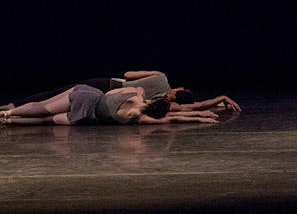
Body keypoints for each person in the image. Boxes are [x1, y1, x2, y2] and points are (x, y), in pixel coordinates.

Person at [0, 70, 241, 113]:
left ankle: (13, 107)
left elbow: (127, 75)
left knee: (56, 93)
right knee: (59, 104)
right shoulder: (163, 105)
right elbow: (195, 107)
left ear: (178, 88)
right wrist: (219, 103)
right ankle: (15, 112)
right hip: (105, 100)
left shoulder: (160, 77)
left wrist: (221, 100)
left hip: (107, 84)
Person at [0, 85, 219, 126]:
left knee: (44, 106)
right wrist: (201, 118)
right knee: (46, 120)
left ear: (154, 101)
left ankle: (8, 112)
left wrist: (203, 115)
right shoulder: (139, 119)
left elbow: (112, 91)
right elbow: (175, 118)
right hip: (87, 115)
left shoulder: (137, 95)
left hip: (88, 94)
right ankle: (8, 119)